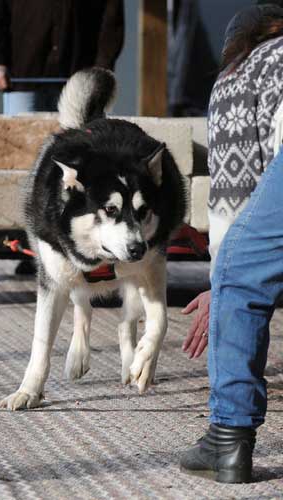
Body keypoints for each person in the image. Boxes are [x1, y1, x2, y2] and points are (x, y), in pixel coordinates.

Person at [180, 4, 283, 483]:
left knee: (241, 276)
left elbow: (233, 194)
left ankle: (227, 439)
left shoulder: (244, 73)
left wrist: (222, 281)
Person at [0, 0, 124, 116]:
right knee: (21, 142)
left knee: (76, 144)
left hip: (79, 76)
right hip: (22, 74)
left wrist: (103, 64)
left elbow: (112, 16)